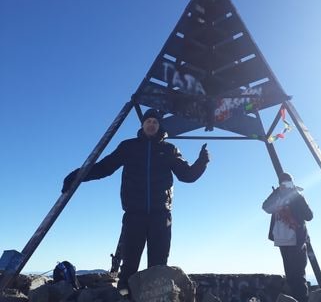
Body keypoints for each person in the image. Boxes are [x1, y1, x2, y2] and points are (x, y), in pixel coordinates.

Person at [62, 108, 210, 290]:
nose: (151, 124)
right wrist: (78, 176)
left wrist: (202, 162)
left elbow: (187, 175)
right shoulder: (128, 146)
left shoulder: (169, 149)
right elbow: (104, 167)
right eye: (148, 121)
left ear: (159, 126)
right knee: (129, 265)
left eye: (155, 122)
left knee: (158, 267)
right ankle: (124, 297)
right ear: (142, 125)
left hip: (161, 216)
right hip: (134, 215)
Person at [262, 172, 313, 302]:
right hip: (290, 240)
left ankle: (298, 299)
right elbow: (309, 216)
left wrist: (285, 193)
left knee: (294, 275)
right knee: (296, 275)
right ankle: (300, 299)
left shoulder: (287, 197)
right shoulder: (288, 196)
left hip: (289, 240)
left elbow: (309, 216)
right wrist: (282, 193)